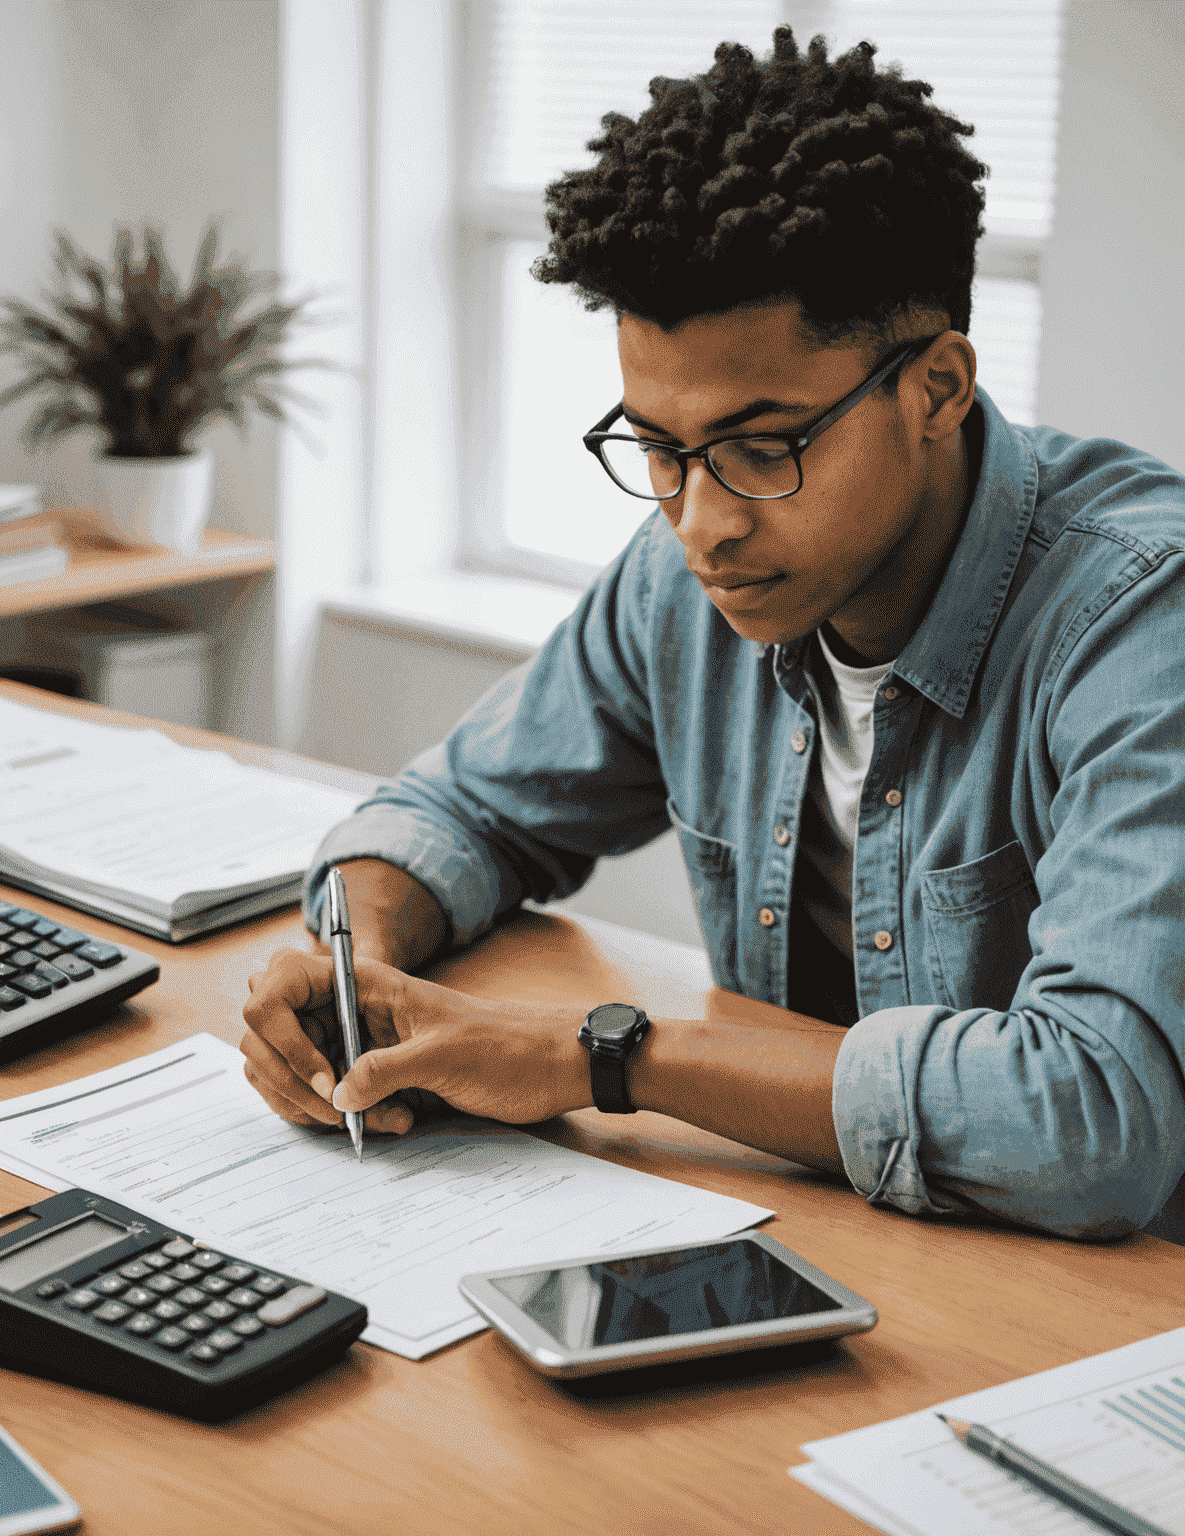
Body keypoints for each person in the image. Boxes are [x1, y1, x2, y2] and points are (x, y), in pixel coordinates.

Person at [241, 27, 1185, 1239]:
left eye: (763, 448)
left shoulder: (1140, 618)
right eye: (658, 447)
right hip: (825, 1227)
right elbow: (462, 813)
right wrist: (356, 965)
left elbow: (1094, 1118)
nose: (701, 522)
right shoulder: (686, 575)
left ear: (938, 389)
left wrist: (604, 1059)